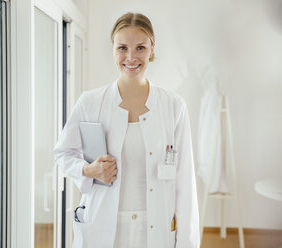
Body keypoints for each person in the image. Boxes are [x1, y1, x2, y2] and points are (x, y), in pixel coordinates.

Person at [53, 12, 200, 248]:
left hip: (154, 227)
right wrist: (88, 169)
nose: (131, 57)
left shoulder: (173, 106)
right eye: (122, 48)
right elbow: (63, 153)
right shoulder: (90, 102)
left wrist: (187, 242)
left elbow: (185, 180)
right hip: (103, 222)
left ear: (152, 49)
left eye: (140, 47)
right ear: (113, 48)